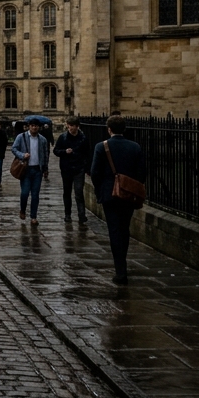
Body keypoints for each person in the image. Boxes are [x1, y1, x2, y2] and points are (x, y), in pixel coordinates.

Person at [91, 114, 147, 285]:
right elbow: (142, 173)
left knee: (114, 230)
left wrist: (100, 191)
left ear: (109, 129)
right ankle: (122, 262)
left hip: (109, 195)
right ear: (124, 129)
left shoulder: (102, 147)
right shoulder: (135, 146)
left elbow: (95, 173)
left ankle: (120, 271)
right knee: (124, 228)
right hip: (128, 195)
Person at [11, 117, 49, 225]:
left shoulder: (42, 140)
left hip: (37, 170)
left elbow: (45, 155)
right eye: (32, 126)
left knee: (35, 194)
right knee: (25, 193)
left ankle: (33, 217)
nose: (34, 128)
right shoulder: (21, 137)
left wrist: (45, 169)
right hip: (26, 169)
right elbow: (14, 148)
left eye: (36, 126)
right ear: (29, 126)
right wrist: (22, 155)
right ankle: (22, 209)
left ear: (39, 127)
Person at [53, 117, 89, 224]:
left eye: (72, 126)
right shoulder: (63, 137)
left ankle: (82, 215)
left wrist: (86, 167)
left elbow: (87, 153)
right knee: (67, 192)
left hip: (79, 168)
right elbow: (56, 150)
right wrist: (65, 151)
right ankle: (67, 214)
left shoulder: (83, 138)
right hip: (66, 168)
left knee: (78, 192)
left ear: (77, 126)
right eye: (69, 125)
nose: (70, 128)